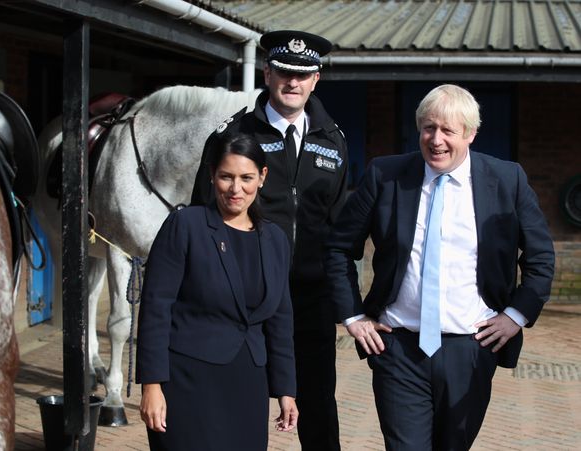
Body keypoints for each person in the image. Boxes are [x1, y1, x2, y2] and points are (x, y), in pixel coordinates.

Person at [324, 84, 555, 451]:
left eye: (448, 130)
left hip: (471, 349)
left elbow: (541, 259)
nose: (436, 140)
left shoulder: (507, 180)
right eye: (428, 128)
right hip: (396, 348)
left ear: (470, 134)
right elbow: (338, 248)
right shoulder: (385, 175)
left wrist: (515, 315)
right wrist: (353, 316)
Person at [191, 30, 348, 451]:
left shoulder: (334, 140)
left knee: (316, 404)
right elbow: (203, 221)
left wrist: (341, 296)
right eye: (283, 73)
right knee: (236, 405)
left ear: (316, 79)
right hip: (246, 298)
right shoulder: (233, 136)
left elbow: (337, 228)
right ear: (267, 72)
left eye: (303, 75)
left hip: (311, 299)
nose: (292, 83)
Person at [136, 133, 298, 451]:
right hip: (186, 384)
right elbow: (156, 306)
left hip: (247, 384)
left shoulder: (276, 239)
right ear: (212, 176)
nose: (236, 189)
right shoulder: (186, 225)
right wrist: (151, 385)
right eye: (226, 177)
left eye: (246, 178)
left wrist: (286, 390)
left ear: (262, 178)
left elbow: (281, 320)